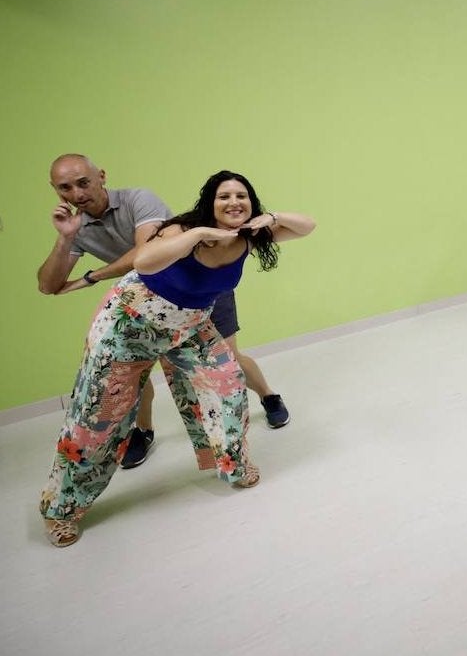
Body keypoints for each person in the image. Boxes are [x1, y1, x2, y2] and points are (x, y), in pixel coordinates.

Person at [38, 170, 316, 546]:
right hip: (129, 324)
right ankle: (62, 510)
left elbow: (308, 227)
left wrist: (272, 217)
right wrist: (198, 235)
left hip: (189, 324)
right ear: (209, 204)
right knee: (96, 420)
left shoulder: (249, 236)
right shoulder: (182, 229)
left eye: (241, 196)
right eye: (223, 197)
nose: (233, 203)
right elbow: (146, 263)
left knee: (228, 384)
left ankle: (233, 464)